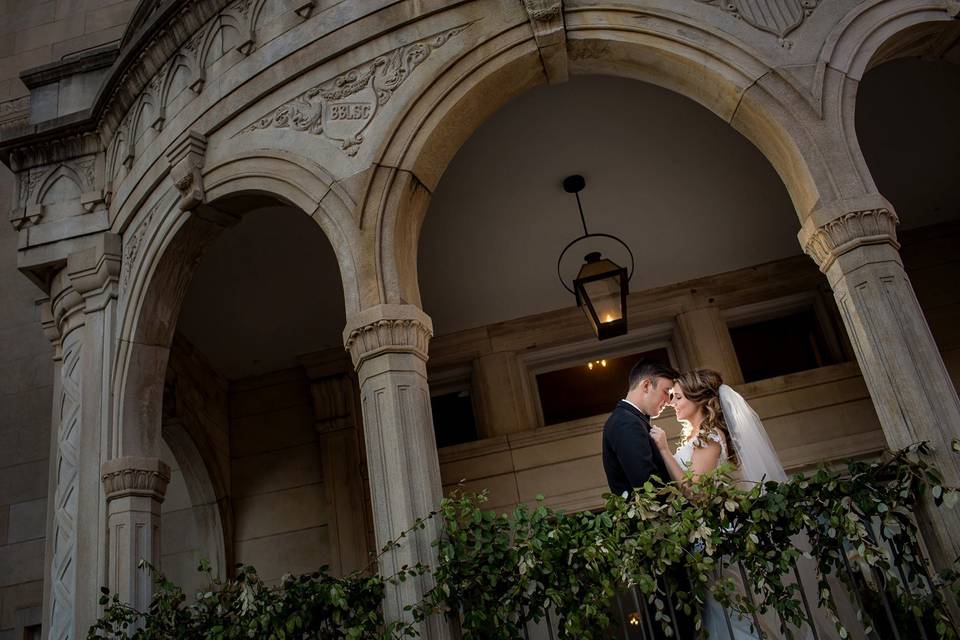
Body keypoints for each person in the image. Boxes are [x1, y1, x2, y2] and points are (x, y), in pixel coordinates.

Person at [649, 369, 835, 640]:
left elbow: (697, 493)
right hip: (702, 539)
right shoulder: (695, 437)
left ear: (698, 398)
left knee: (735, 614)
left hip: (719, 541)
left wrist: (664, 450)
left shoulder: (710, 436)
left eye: (678, 397)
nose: (673, 403)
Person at [602, 359, 680, 497]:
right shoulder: (626, 423)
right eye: (666, 391)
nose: (669, 401)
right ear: (646, 385)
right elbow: (647, 486)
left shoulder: (631, 419)